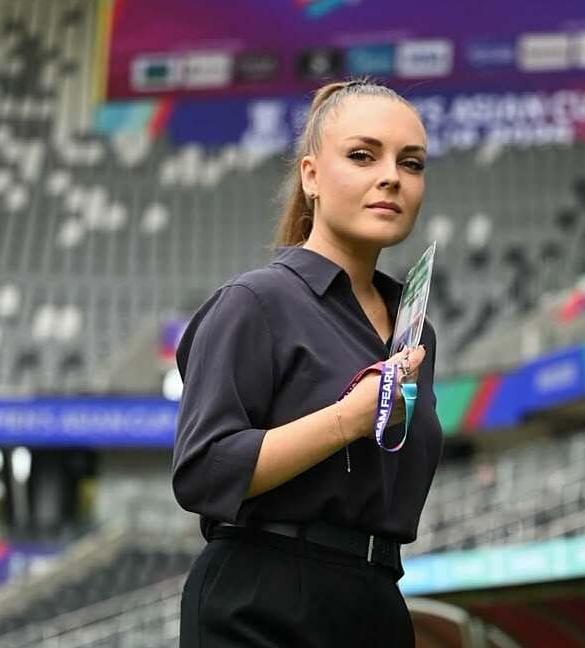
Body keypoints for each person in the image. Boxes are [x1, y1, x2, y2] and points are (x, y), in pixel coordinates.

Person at [172, 79, 444, 648]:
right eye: (362, 156)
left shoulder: (415, 331)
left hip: (376, 601)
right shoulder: (255, 302)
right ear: (311, 176)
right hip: (262, 600)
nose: (392, 176)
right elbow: (203, 470)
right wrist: (350, 417)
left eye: (411, 163)